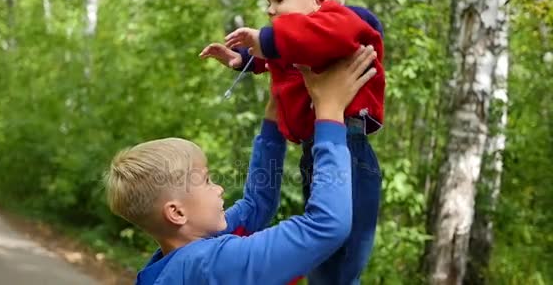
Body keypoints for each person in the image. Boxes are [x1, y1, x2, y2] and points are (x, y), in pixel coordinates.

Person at [104, 48, 377, 284]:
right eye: (207, 181)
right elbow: (327, 225)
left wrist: (273, 117)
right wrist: (330, 112)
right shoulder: (211, 265)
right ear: (176, 212)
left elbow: (256, 205)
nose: (220, 189)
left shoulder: (174, 259)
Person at [199, 0, 385, 284]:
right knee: (321, 261)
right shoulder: (305, 45)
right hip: (318, 152)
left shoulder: (348, 22)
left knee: (338, 262)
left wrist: (266, 41)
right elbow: (285, 59)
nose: (270, 10)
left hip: (350, 150)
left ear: (320, 0)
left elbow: (306, 40)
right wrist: (245, 60)